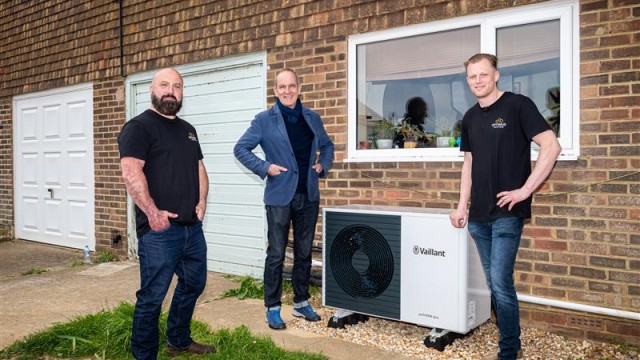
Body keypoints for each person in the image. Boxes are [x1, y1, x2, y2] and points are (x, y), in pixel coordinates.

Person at [449, 53, 561, 360]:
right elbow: (468, 164)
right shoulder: (470, 117)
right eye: (472, 77)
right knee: (494, 283)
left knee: (500, 282)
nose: (478, 81)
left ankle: (509, 351)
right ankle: (509, 339)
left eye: (483, 75)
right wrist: (461, 207)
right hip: (478, 217)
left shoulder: (518, 106)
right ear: (467, 80)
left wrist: (525, 190)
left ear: (496, 75)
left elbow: (552, 146)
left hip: (506, 215)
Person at [117, 67, 215, 359]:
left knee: (194, 284)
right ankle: (144, 355)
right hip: (159, 232)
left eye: (177, 86)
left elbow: (200, 169)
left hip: (191, 228)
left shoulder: (188, 129)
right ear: (152, 89)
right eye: (164, 85)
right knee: (152, 298)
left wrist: (202, 202)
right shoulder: (139, 127)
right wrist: (152, 213)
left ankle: (178, 341)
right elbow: (130, 173)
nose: (171, 90)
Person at [234, 68, 334, 330]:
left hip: (308, 195)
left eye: (292, 86)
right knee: (276, 254)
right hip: (279, 196)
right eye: (282, 87)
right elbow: (241, 148)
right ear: (275, 91)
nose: (287, 91)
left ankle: (301, 303)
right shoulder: (264, 120)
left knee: (303, 253)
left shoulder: (312, 118)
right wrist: (265, 167)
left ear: (299, 88)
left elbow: (328, 145)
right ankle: (273, 307)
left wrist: (323, 164)